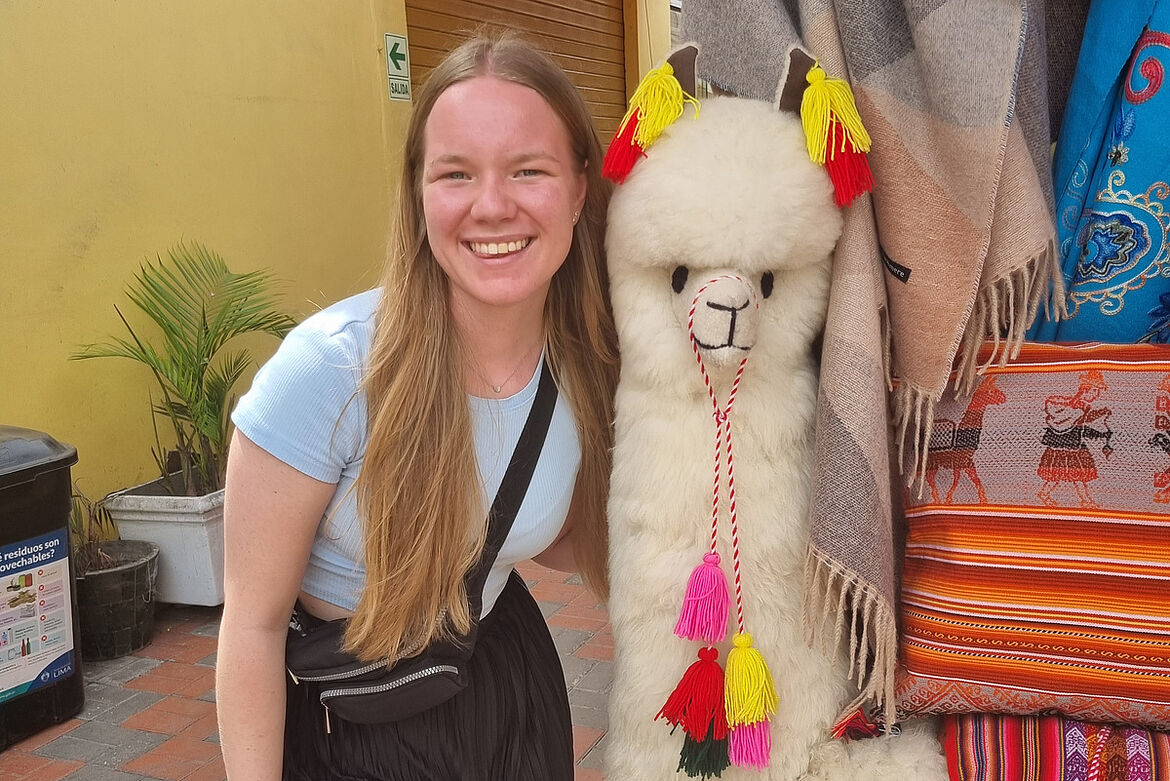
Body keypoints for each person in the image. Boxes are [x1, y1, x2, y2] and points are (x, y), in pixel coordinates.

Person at [214, 32, 618, 781]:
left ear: (577, 188)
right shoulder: (329, 373)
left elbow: (561, 535)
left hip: (510, 688)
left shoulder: (589, 364)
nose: (492, 206)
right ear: (418, 192)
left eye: (528, 170)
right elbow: (253, 627)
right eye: (456, 173)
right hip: (361, 721)